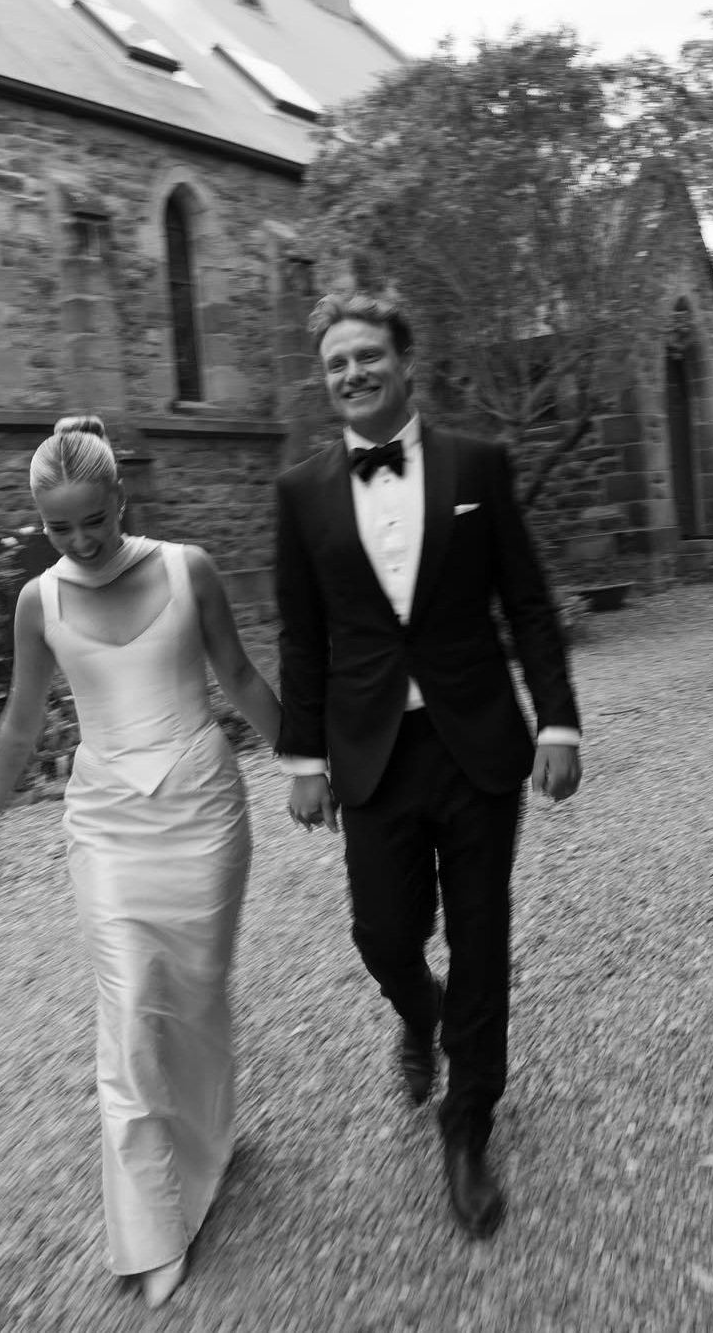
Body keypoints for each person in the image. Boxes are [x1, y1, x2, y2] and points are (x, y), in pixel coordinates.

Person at [274, 293, 582, 1240]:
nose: (353, 374)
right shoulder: (300, 491)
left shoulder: (478, 466)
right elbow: (302, 633)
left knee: (482, 939)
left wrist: (557, 724)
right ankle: (422, 1012)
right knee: (381, 932)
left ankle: (467, 1126)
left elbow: (527, 604)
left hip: (477, 742)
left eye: (367, 356)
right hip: (370, 753)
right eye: (336, 364)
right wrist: (302, 755)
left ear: (406, 364)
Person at [0, 416, 281, 1309]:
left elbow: (242, 678)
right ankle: (150, 1224)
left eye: (92, 522)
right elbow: (23, 719)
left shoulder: (189, 569)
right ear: (42, 523)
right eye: (58, 529)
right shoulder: (41, 602)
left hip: (201, 810)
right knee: (127, 1011)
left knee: (193, 994)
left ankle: (213, 1142)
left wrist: (310, 762)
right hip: (104, 821)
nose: (79, 542)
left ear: (121, 502)